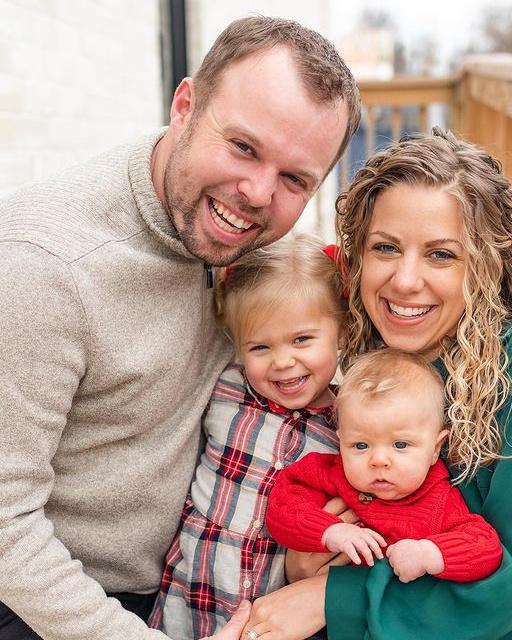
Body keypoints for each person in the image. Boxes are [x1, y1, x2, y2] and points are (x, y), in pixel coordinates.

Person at [0, 15, 359, 640]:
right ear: (185, 104)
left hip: (204, 580)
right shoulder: (44, 267)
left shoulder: (238, 240)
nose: (254, 192)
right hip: (60, 606)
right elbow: (5, 529)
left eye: (295, 178)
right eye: (243, 146)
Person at [239, 129, 512, 640]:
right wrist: (305, 564)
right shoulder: (369, 359)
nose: (406, 280)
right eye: (386, 248)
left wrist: (330, 596)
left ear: (483, 265)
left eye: (441, 255)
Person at [148, 234, 346, 639]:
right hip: (192, 592)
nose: (283, 361)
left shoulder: (346, 424)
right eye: (260, 346)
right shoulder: (227, 387)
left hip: (275, 609)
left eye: (302, 339)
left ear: (342, 330)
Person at [266, 348, 503, 584]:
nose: (378, 460)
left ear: (435, 449)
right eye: (360, 445)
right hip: (323, 614)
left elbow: (485, 546)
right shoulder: (330, 474)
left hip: (384, 614)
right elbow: (283, 506)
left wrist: (429, 553)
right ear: (341, 441)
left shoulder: (438, 502)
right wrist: (330, 532)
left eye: (400, 444)